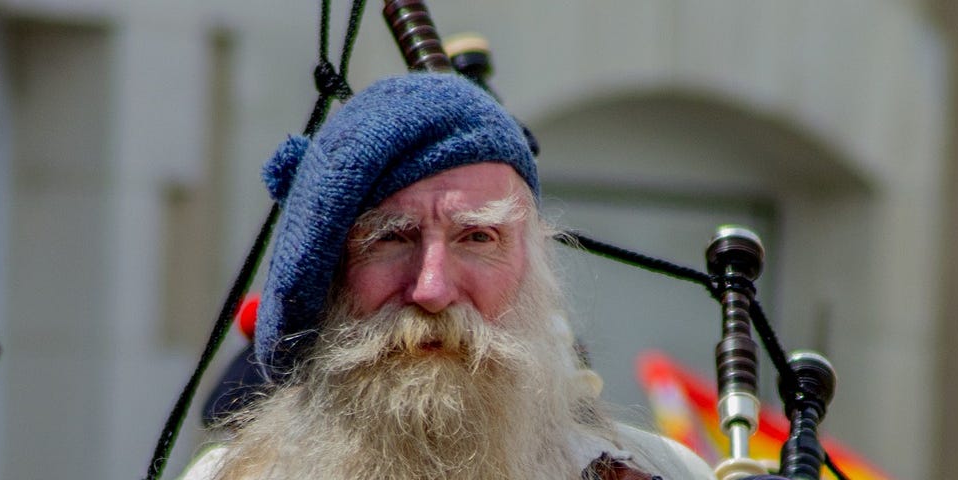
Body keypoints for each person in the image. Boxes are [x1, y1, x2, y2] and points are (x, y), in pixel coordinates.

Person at [180, 73, 714, 479]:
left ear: (533, 269)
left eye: (478, 238)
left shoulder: (653, 471)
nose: (432, 289)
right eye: (391, 239)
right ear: (326, 277)